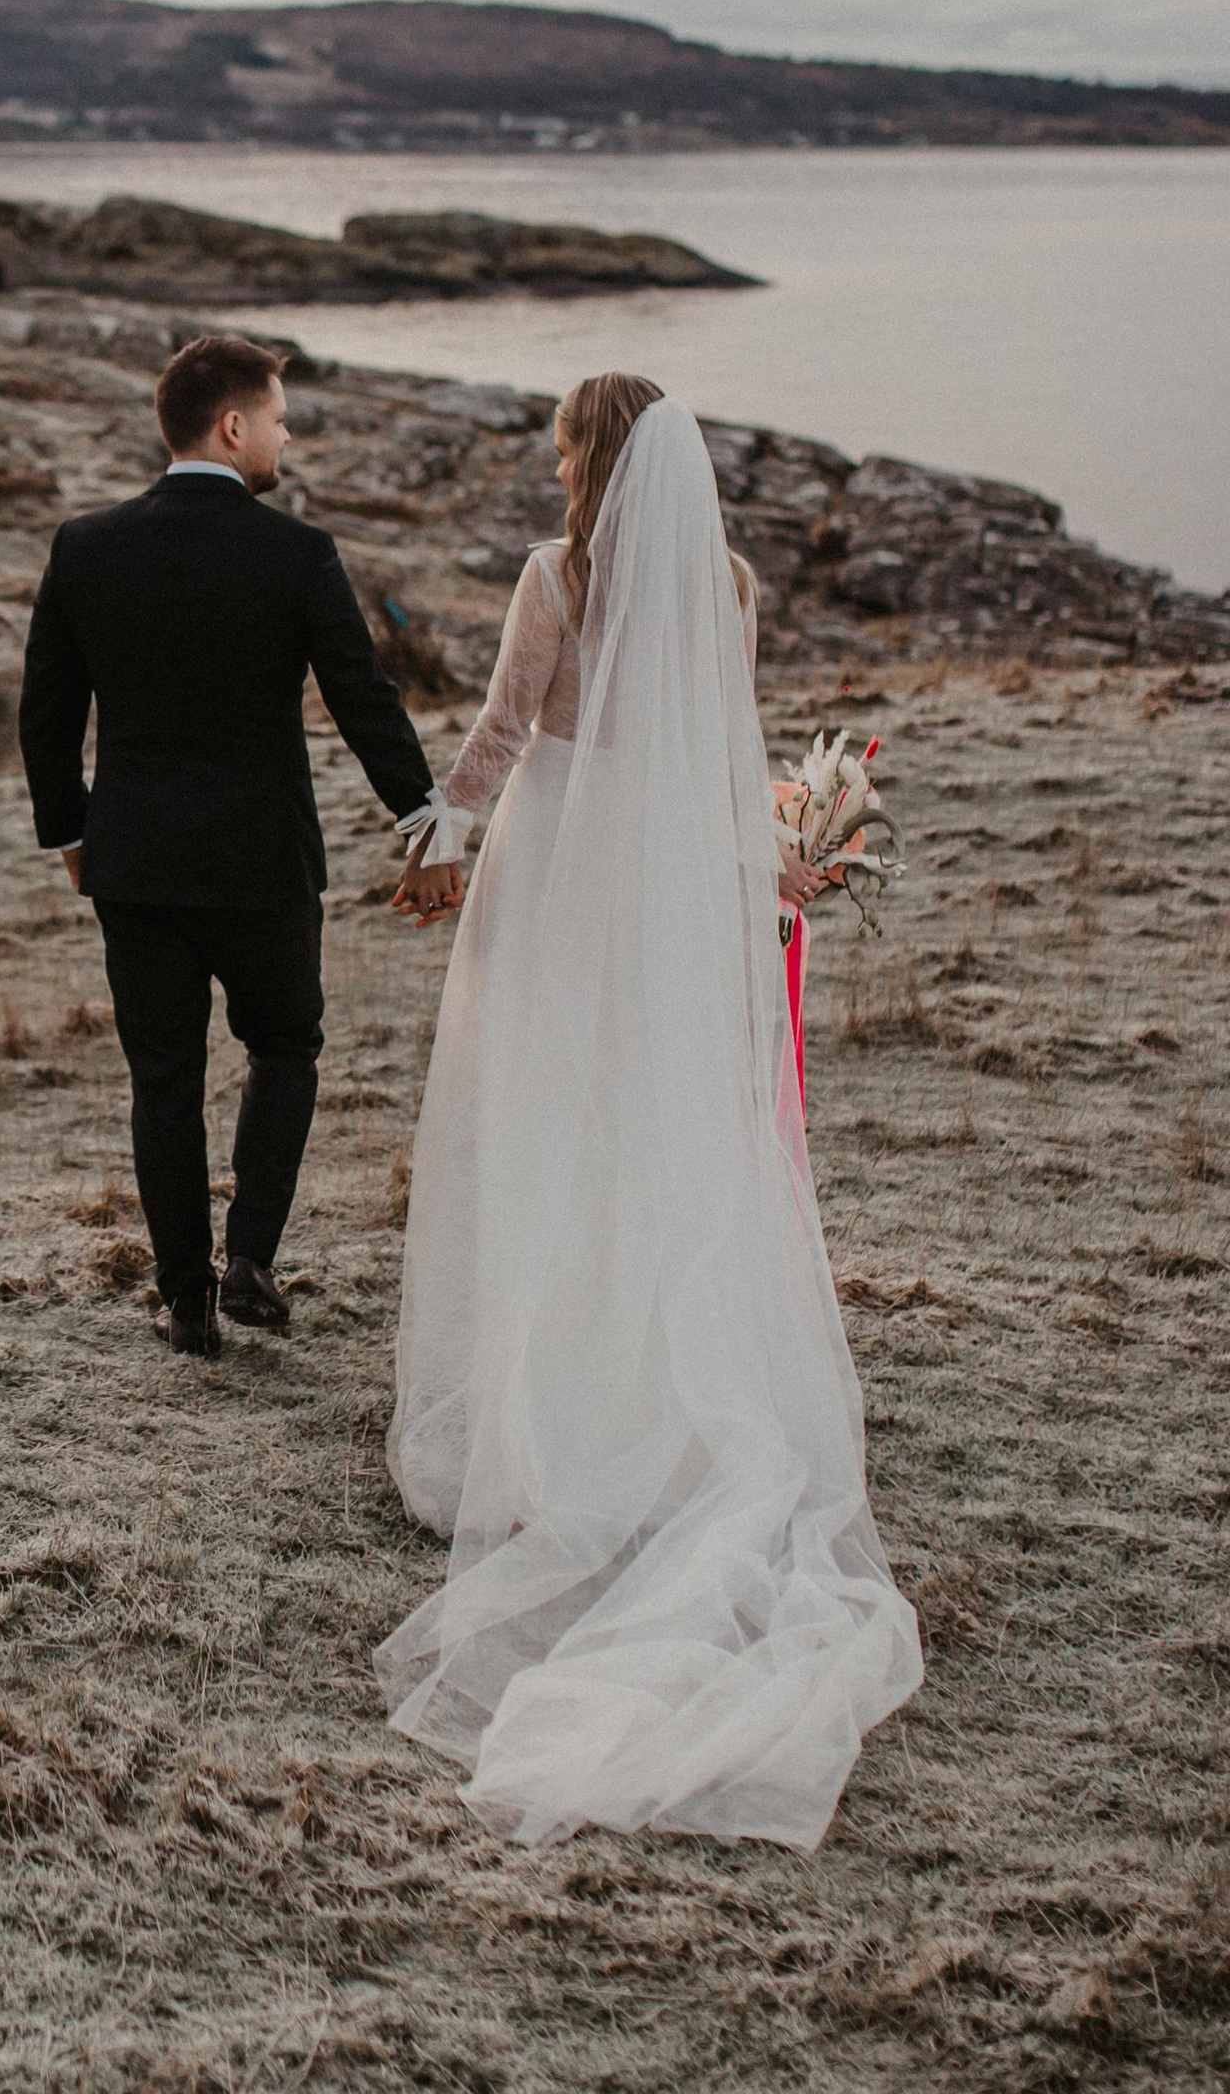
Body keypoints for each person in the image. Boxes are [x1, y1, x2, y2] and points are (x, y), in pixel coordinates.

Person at [377, 373, 921, 1850]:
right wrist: (764, 867)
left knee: (549, 1114)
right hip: (671, 870)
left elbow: (500, 734)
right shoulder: (729, 584)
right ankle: (655, 1392)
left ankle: (551, 1402)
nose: (554, 457)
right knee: (648, 1119)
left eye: (562, 439)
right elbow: (713, 740)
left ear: (587, 455)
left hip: (558, 863)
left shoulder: (558, 573)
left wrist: (436, 832)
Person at [18, 334, 462, 1357]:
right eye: (277, 416)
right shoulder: (294, 552)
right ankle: (250, 1257)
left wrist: (73, 832)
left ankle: (185, 1300)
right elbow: (363, 696)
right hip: (262, 862)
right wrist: (422, 821)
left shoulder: (84, 546)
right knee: (286, 1047)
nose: (285, 433)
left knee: (162, 1077)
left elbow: (45, 712)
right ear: (232, 426)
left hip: (134, 863)